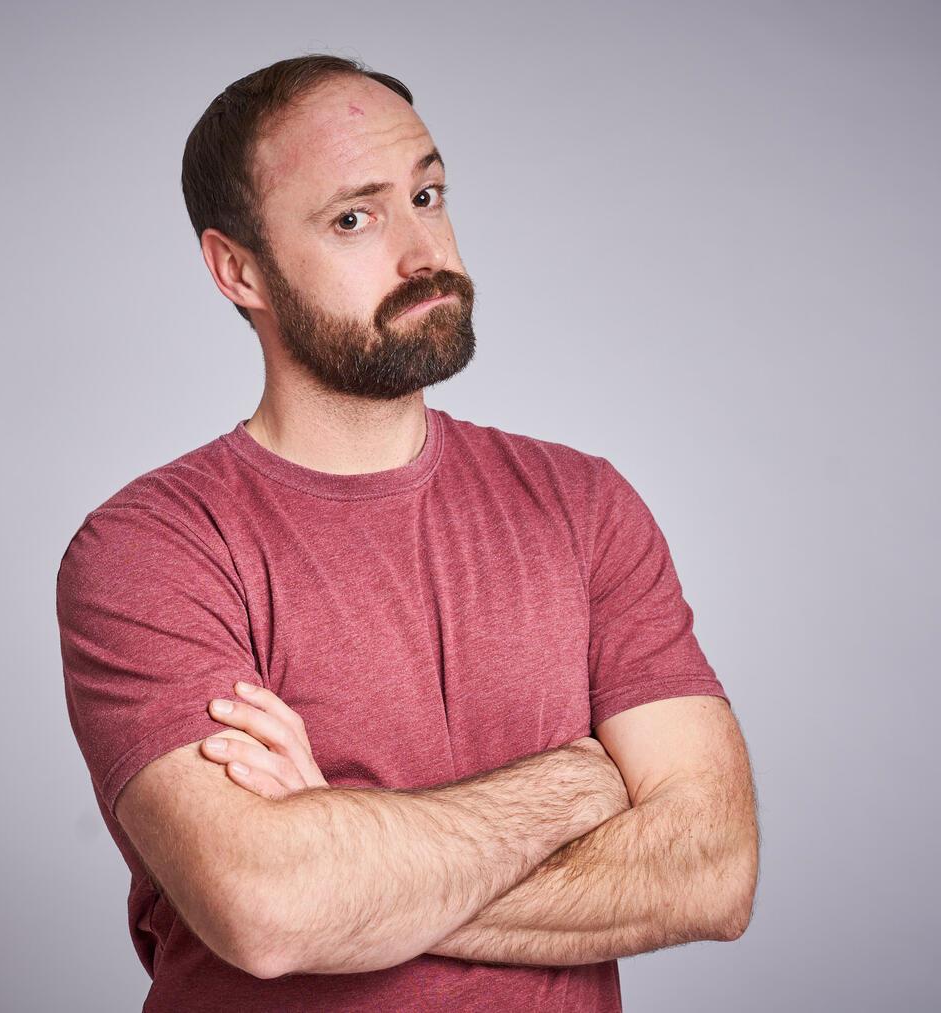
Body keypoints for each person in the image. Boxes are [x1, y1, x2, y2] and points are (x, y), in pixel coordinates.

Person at [55, 53, 758, 1012]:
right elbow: (267, 906)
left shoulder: (584, 503)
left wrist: (346, 867)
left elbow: (712, 869)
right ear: (238, 269)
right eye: (355, 217)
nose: (423, 250)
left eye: (428, 194)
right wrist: (580, 784)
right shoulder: (153, 549)